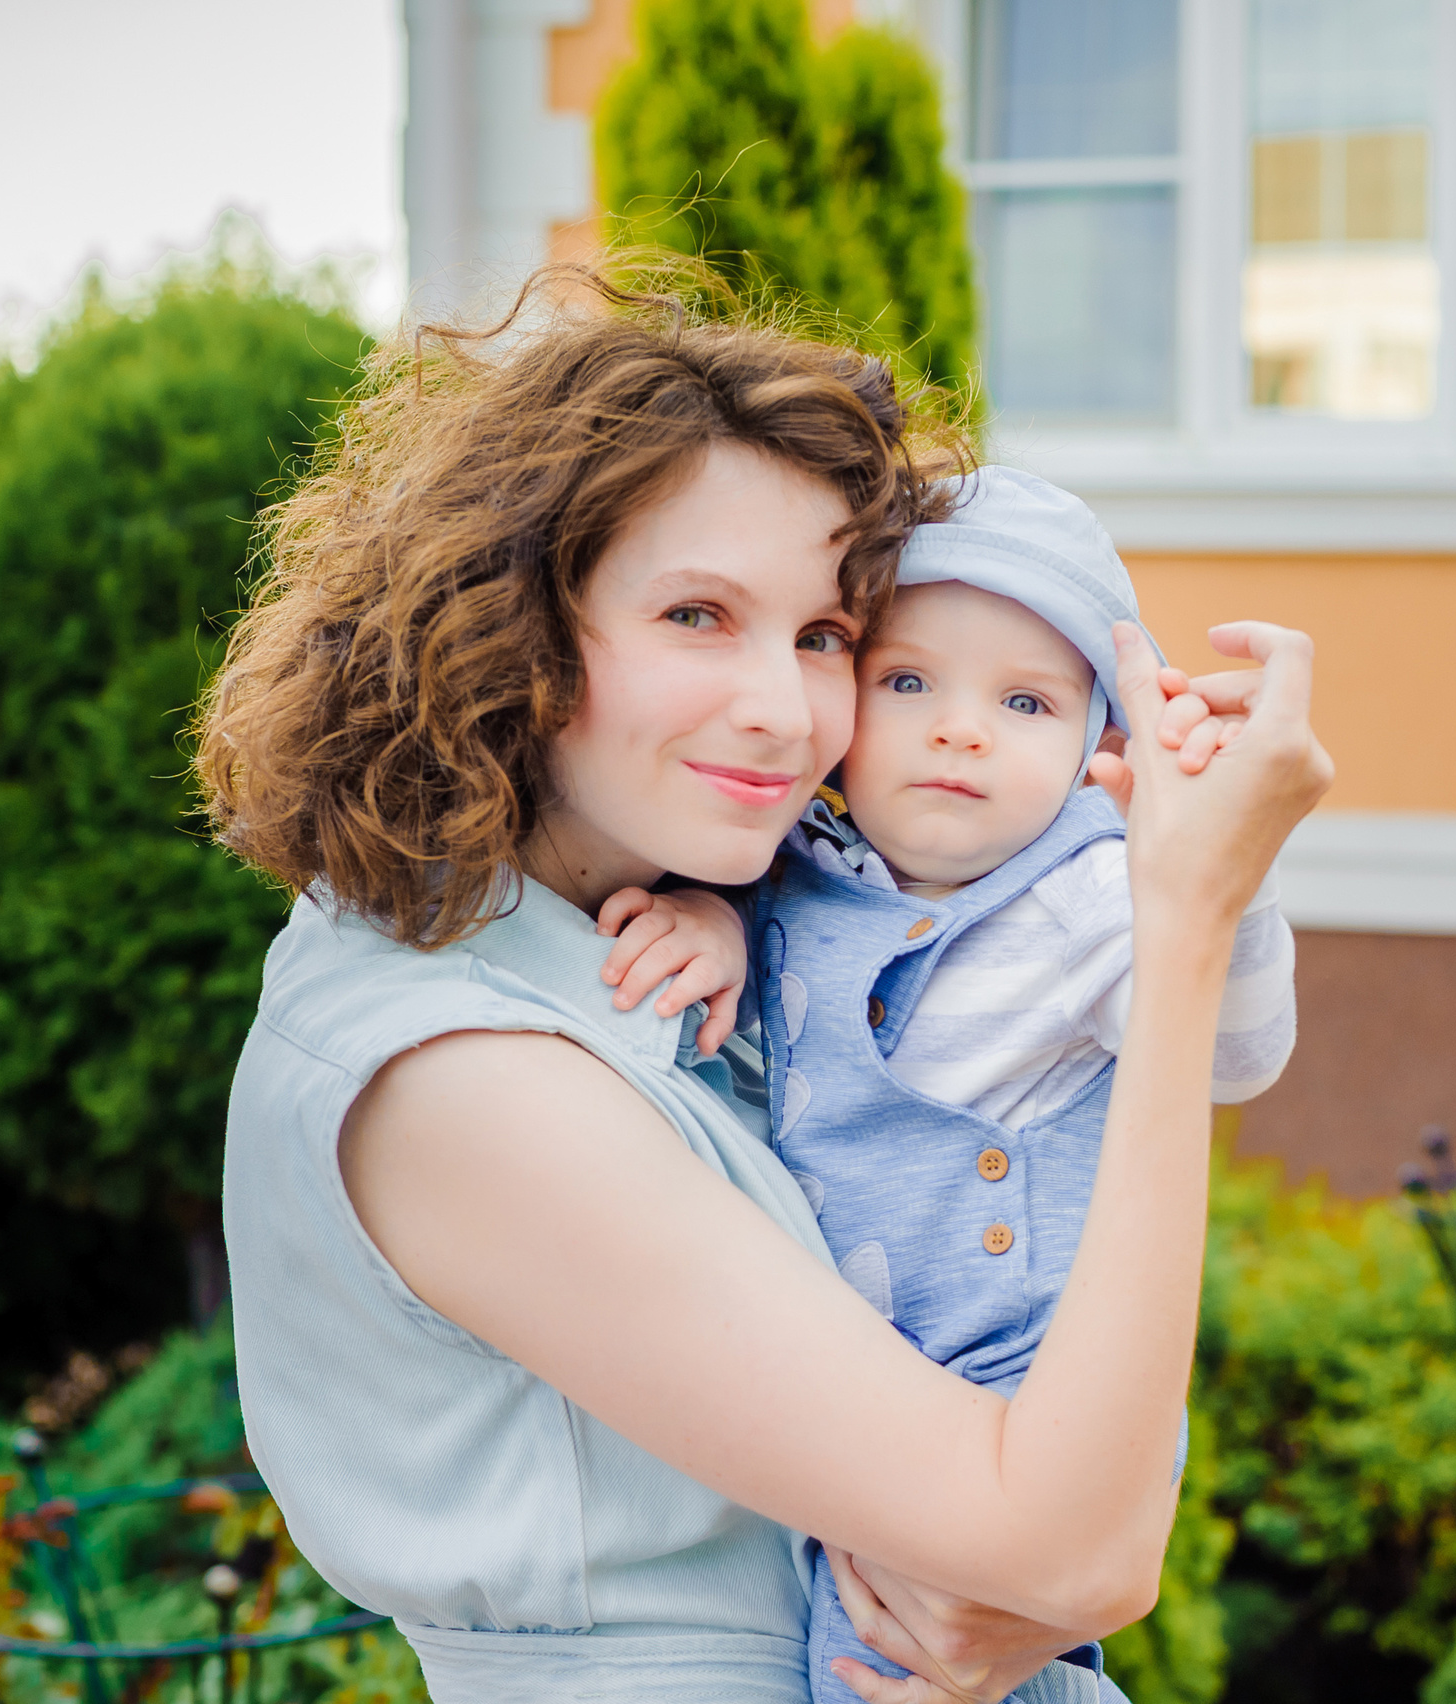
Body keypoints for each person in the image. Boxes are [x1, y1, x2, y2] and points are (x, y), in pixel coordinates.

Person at [195, 270, 1334, 1704]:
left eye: (824, 638)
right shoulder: (463, 1076)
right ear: (514, 625)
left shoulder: (675, 929)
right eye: (696, 616)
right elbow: (1083, 1556)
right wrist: (1184, 921)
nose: (785, 710)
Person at [594, 468, 1296, 1703]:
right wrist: (709, 923)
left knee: (916, 1662)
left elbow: (1236, 1056)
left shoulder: (1085, 898)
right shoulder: (800, 862)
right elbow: (763, 950)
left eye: (1025, 701)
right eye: (907, 682)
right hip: (851, 1394)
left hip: (1020, 1387)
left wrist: (1222, 882)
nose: (959, 728)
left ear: (1095, 749)